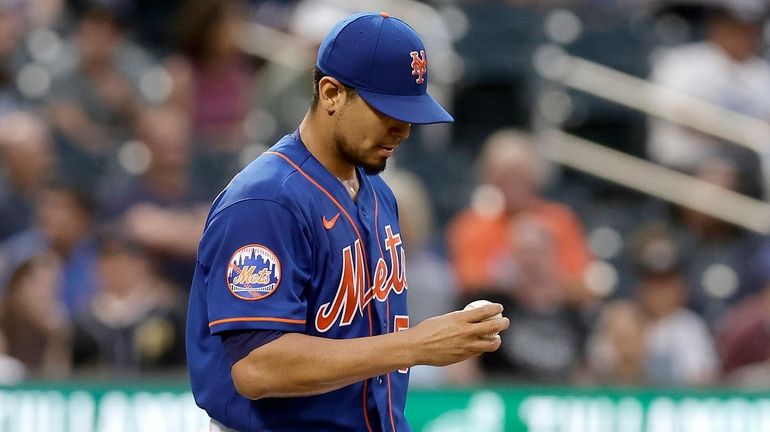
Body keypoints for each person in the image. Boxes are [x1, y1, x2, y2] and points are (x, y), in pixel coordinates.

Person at [186, 12, 510, 432]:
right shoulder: (267, 200)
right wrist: (416, 345)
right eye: (387, 110)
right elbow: (257, 368)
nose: (403, 129)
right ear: (332, 94)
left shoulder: (378, 193)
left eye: (410, 111)